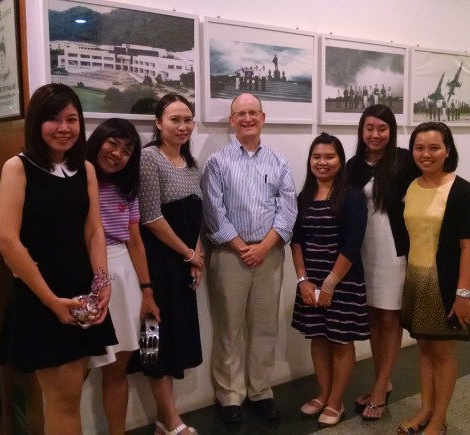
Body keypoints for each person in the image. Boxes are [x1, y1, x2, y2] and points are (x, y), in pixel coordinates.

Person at [0, 83, 117, 435]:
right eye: (53, 119)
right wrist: (51, 300)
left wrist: (102, 283)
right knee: (64, 400)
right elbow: (6, 239)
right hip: (42, 296)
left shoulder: (85, 169)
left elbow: (94, 230)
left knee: (68, 392)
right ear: (36, 123)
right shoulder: (18, 167)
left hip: (81, 293)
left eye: (72, 119)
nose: (64, 128)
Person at [201, 92, 297, 423]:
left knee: (265, 327)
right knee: (229, 327)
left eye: (253, 112)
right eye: (240, 114)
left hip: (269, 255)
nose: (247, 118)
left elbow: (288, 211)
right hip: (230, 254)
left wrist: (263, 247)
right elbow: (213, 212)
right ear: (232, 121)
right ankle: (230, 395)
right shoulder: (217, 162)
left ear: (263, 117)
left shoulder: (279, 163)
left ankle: (261, 391)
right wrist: (243, 247)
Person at [398, 121, 470, 435]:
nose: (426, 154)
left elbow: (468, 247)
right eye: (419, 148)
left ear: (448, 150)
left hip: (446, 284)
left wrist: (463, 295)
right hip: (416, 280)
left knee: (443, 353)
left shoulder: (463, 191)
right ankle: (425, 409)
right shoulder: (411, 186)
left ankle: (439, 419)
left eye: (434, 147)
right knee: (424, 348)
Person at [127, 94, 203, 435]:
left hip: (183, 264)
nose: (183, 126)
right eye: (175, 119)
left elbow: (196, 215)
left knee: (172, 342)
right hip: (157, 264)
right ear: (158, 123)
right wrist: (189, 254)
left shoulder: (191, 163)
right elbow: (151, 217)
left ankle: (164, 420)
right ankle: (172, 421)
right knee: (156, 342)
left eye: (187, 119)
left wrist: (196, 257)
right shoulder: (148, 158)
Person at [85, 118, 160, 435]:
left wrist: (147, 291)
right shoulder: (74, 179)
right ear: (98, 141)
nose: (117, 154)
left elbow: (135, 241)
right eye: (112, 144)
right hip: (81, 272)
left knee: (118, 368)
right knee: (74, 369)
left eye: (127, 150)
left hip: (123, 274)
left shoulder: (127, 189)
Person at [290, 133, 369, 428]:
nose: (322, 162)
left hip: (343, 283)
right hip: (310, 283)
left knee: (340, 341)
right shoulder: (303, 197)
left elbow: (352, 245)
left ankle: (336, 401)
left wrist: (330, 284)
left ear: (340, 160)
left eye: (329, 156)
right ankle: (323, 394)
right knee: (319, 339)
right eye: (316, 157)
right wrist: (303, 280)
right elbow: (296, 240)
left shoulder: (352, 196)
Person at [346, 104, 419, 420]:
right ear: (362, 130)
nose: (375, 134)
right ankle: (382, 381)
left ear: (391, 131)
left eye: (382, 128)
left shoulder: (404, 161)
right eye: (369, 128)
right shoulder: (353, 165)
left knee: (389, 319)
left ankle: (379, 389)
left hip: (392, 250)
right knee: (373, 318)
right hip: (363, 250)